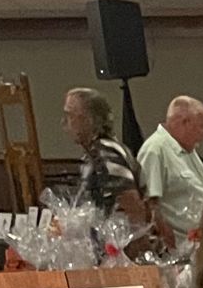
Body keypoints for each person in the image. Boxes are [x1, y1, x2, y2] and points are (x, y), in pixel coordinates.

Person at [62, 89, 152, 242]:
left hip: (118, 253)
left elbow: (132, 207)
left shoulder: (106, 154)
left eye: (70, 115)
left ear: (88, 119)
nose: (64, 122)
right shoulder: (98, 153)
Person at [136, 97, 203, 244]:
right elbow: (150, 204)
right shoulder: (155, 150)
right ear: (184, 122)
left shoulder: (187, 147)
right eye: (201, 127)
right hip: (180, 247)